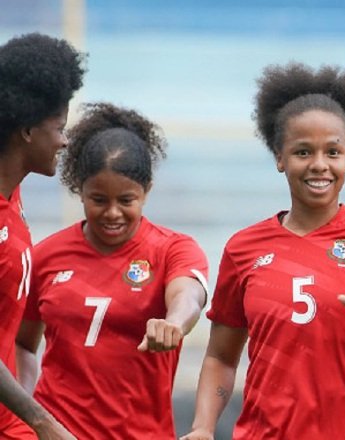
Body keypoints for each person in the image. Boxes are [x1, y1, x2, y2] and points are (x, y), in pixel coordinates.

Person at [180, 62, 345, 440]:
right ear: (280, 158)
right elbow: (220, 356)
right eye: (303, 152)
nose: (319, 165)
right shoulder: (243, 249)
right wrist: (202, 428)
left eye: (333, 152)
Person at [14, 102, 209, 438]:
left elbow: (189, 293)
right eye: (99, 200)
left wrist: (174, 323)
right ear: (80, 191)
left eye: (126, 200)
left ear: (146, 192)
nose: (113, 213)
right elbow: (22, 344)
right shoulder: (46, 256)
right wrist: (29, 418)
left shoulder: (172, 249)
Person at [0, 32, 85, 439]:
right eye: (60, 127)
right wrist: (42, 420)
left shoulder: (12, 192)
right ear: (28, 130)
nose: (65, 140)